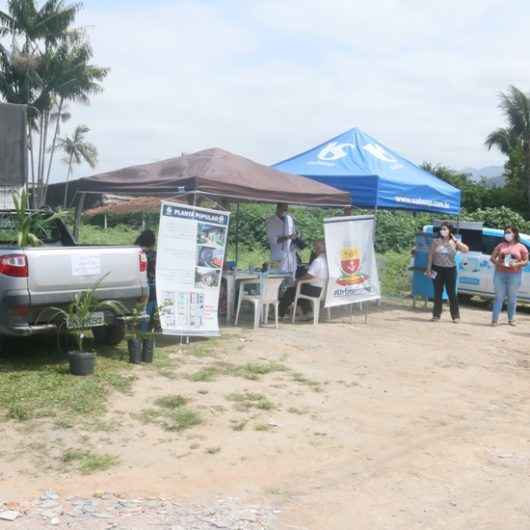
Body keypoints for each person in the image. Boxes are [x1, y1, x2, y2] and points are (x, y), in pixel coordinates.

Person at [425, 222, 469, 323]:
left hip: (450, 270)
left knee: (452, 293)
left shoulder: (454, 242)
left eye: (445, 229)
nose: (442, 231)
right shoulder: (436, 241)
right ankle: (436, 315)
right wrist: (428, 268)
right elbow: (430, 255)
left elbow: (466, 250)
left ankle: (455, 316)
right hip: (437, 269)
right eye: (441, 229)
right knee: (437, 292)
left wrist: (456, 241)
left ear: (450, 231)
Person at [490, 226, 529, 326]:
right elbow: (492, 258)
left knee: (512, 298)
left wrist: (517, 264)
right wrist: (499, 264)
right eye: (505, 232)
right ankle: (494, 320)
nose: (506, 234)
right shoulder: (500, 245)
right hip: (500, 273)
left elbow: (526, 261)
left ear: (515, 234)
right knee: (499, 297)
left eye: (508, 232)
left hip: (514, 275)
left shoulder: (521, 247)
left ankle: (511, 319)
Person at [279, 239, 328, 318]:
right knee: (300, 289)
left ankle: (280, 313)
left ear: (318, 249)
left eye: (315, 247)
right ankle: (307, 312)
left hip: (316, 290)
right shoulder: (327, 260)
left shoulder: (318, 261)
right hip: (324, 290)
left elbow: (309, 275)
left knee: (291, 290)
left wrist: (297, 280)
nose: (314, 250)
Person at [135, 229, 157, 335]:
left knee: (141, 309)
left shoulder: (137, 253)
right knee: (150, 308)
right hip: (153, 283)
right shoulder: (154, 254)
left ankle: (141, 330)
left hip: (141, 284)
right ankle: (147, 330)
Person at [266, 203, 298, 277]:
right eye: (284, 209)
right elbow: (273, 240)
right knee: (278, 278)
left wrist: (296, 238)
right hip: (278, 256)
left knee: (291, 278)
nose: (285, 211)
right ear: (278, 208)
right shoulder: (271, 221)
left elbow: (293, 233)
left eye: (286, 209)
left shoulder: (290, 219)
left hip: (291, 255)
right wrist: (287, 237)